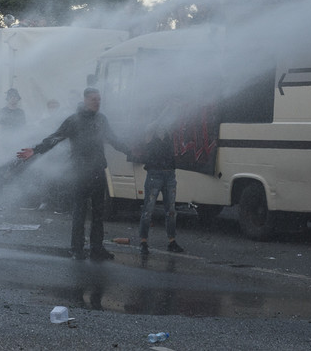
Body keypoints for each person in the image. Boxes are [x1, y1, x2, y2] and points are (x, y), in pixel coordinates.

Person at [17, 87, 130, 262]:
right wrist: (36, 150)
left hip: (98, 171)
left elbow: (113, 139)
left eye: (99, 99)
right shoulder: (74, 121)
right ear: (85, 100)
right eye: (94, 99)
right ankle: (77, 249)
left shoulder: (101, 119)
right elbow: (55, 138)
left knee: (99, 214)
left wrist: (131, 152)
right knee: (80, 212)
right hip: (80, 172)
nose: (97, 102)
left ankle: (97, 249)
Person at [139, 101, 185, 256]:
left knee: (171, 210)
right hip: (155, 175)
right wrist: (166, 109)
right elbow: (155, 123)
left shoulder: (168, 133)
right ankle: (143, 242)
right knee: (148, 210)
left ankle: (172, 241)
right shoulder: (150, 131)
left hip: (169, 174)